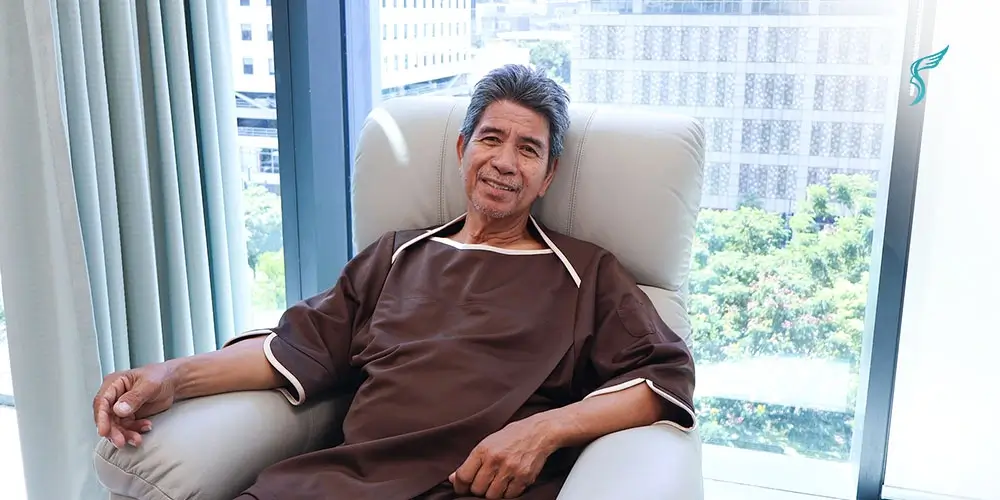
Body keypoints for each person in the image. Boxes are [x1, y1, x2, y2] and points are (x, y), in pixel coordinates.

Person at [92, 64, 696, 500]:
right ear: (463, 150)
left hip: (473, 488)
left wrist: (543, 428)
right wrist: (172, 376)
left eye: (528, 149)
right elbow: (294, 351)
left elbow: (665, 379)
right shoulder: (396, 256)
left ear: (547, 176)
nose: (505, 161)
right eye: (490, 138)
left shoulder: (586, 273)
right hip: (337, 484)